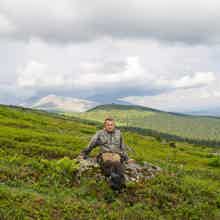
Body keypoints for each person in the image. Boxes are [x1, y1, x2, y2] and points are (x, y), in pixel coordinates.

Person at [78, 117, 133, 191]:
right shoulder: (99, 133)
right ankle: (117, 182)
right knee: (108, 162)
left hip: (116, 154)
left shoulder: (119, 133)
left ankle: (116, 181)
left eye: (111, 125)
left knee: (117, 163)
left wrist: (127, 158)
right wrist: (83, 154)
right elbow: (91, 144)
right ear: (105, 126)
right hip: (105, 154)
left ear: (114, 125)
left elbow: (122, 147)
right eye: (108, 125)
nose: (110, 126)